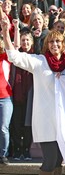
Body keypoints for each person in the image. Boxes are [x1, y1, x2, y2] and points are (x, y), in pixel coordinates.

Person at [1, 17, 65, 175]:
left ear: (63, 44)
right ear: (46, 45)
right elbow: (14, 56)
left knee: (58, 161)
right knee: (49, 160)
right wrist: (6, 32)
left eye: (57, 41)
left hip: (63, 123)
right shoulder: (39, 62)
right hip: (45, 122)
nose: (54, 45)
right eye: (51, 42)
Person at [10, 21, 34, 161]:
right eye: (23, 40)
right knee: (16, 123)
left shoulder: (35, 56)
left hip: (31, 94)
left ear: (31, 42)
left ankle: (26, 149)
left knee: (28, 124)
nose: (25, 42)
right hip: (16, 93)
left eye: (27, 40)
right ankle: (18, 149)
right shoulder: (16, 57)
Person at [0, 36, 13, 165]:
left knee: (4, 127)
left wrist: (15, 27)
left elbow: (15, 47)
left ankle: (3, 154)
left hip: (5, 98)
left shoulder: (4, 57)